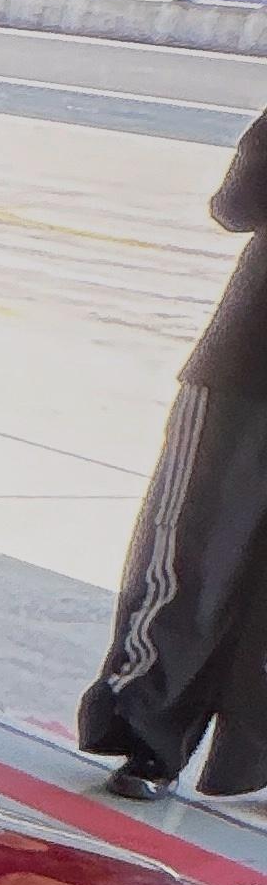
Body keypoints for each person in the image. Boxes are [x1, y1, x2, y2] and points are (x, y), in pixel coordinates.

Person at [81, 105, 267, 799]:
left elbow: (237, 204)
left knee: (194, 550)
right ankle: (229, 755)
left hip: (248, 368)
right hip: (247, 368)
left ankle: (150, 738)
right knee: (202, 555)